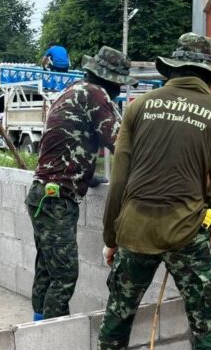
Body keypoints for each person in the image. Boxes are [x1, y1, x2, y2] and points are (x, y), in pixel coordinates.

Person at [85, 33, 211, 350]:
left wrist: (112, 237)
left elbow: (119, 180)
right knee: (207, 317)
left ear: (171, 69)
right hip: (185, 232)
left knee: (119, 309)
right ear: (210, 77)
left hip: (134, 228)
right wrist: (202, 224)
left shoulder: (138, 107)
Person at [26, 46, 133, 320]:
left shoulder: (73, 90)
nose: (119, 90)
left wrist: (86, 176)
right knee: (64, 275)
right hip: (57, 199)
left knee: (47, 268)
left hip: (42, 194)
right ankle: (55, 334)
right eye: (119, 84)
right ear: (111, 80)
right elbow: (121, 144)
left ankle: (37, 325)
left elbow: (70, 138)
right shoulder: (96, 94)